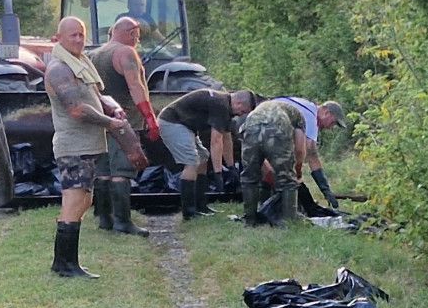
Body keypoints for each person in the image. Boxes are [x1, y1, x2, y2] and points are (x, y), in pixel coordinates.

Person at [45, 16, 130, 278]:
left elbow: (95, 95)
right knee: (73, 201)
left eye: (82, 35)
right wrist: (111, 123)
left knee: (85, 199)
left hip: (89, 145)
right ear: (59, 38)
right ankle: (64, 264)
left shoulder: (81, 63)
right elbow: (76, 109)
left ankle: (66, 262)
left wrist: (112, 105)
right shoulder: (59, 69)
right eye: (73, 35)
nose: (79, 40)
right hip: (73, 146)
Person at [88, 18, 160, 237]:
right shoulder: (126, 53)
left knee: (103, 171)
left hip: (100, 120)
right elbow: (136, 87)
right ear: (130, 33)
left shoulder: (94, 55)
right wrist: (150, 118)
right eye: (136, 35)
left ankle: (104, 218)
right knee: (122, 170)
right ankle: (123, 222)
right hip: (123, 122)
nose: (137, 39)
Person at [157, 88, 255, 219]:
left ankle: (201, 205)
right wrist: (218, 173)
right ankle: (189, 212)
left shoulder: (226, 107)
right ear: (238, 103)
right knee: (191, 161)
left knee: (203, 158)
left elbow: (226, 138)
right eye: (242, 111)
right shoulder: (221, 104)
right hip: (172, 122)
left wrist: (231, 168)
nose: (240, 115)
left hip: (186, 126)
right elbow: (216, 140)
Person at [266, 97, 348, 209]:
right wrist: (326, 190)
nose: (330, 128)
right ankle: (282, 204)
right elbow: (311, 153)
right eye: (333, 123)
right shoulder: (311, 116)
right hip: (268, 123)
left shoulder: (305, 106)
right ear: (326, 112)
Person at [239, 98, 308, 227]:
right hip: (278, 126)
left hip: (250, 126)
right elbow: (299, 149)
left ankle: (250, 221)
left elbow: (261, 154)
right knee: (287, 181)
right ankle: (289, 221)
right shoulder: (298, 116)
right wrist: (297, 172)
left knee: (249, 177)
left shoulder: (260, 109)